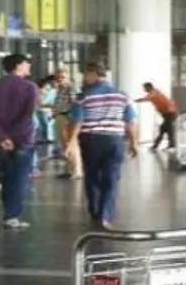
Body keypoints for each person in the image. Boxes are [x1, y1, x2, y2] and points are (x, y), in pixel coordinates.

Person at [64, 62, 138, 228]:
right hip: (114, 140)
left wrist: (71, 143)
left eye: (86, 74)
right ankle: (105, 215)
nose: (84, 78)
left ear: (94, 74)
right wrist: (134, 143)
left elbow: (77, 121)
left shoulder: (83, 97)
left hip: (91, 139)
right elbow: (130, 121)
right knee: (111, 178)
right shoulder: (123, 96)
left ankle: (95, 211)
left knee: (92, 176)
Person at [0, 53, 39, 229]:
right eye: (26, 63)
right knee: (20, 178)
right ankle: (12, 215)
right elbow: (27, 114)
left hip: (1, 139)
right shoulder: (29, 87)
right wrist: (13, 136)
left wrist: (2, 136)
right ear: (18, 65)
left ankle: (7, 213)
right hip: (23, 138)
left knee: (7, 176)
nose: (29, 66)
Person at [50, 69, 83, 180]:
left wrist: (71, 116)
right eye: (58, 77)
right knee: (64, 145)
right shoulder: (60, 88)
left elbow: (75, 103)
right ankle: (70, 169)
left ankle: (75, 171)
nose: (60, 79)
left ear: (68, 77)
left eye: (62, 77)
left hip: (67, 117)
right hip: (60, 116)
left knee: (70, 144)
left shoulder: (70, 87)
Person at [135, 81, 177, 151]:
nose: (144, 90)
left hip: (170, 113)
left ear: (149, 87)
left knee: (165, 129)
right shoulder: (155, 92)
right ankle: (167, 145)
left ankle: (161, 146)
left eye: (144, 88)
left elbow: (145, 98)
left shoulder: (154, 93)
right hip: (168, 113)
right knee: (166, 129)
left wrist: (135, 100)